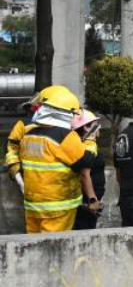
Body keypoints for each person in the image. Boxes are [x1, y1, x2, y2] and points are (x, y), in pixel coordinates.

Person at [17, 85, 97, 233]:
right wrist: (90, 140)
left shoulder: (29, 134)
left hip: (33, 205)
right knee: (52, 249)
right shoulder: (64, 136)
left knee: (33, 246)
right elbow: (85, 160)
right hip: (58, 207)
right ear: (65, 112)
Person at [71, 110, 107, 230]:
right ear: (87, 127)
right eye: (96, 125)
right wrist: (93, 200)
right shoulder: (87, 147)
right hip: (87, 204)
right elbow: (84, 175)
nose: (99, 129)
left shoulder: (83, 144)